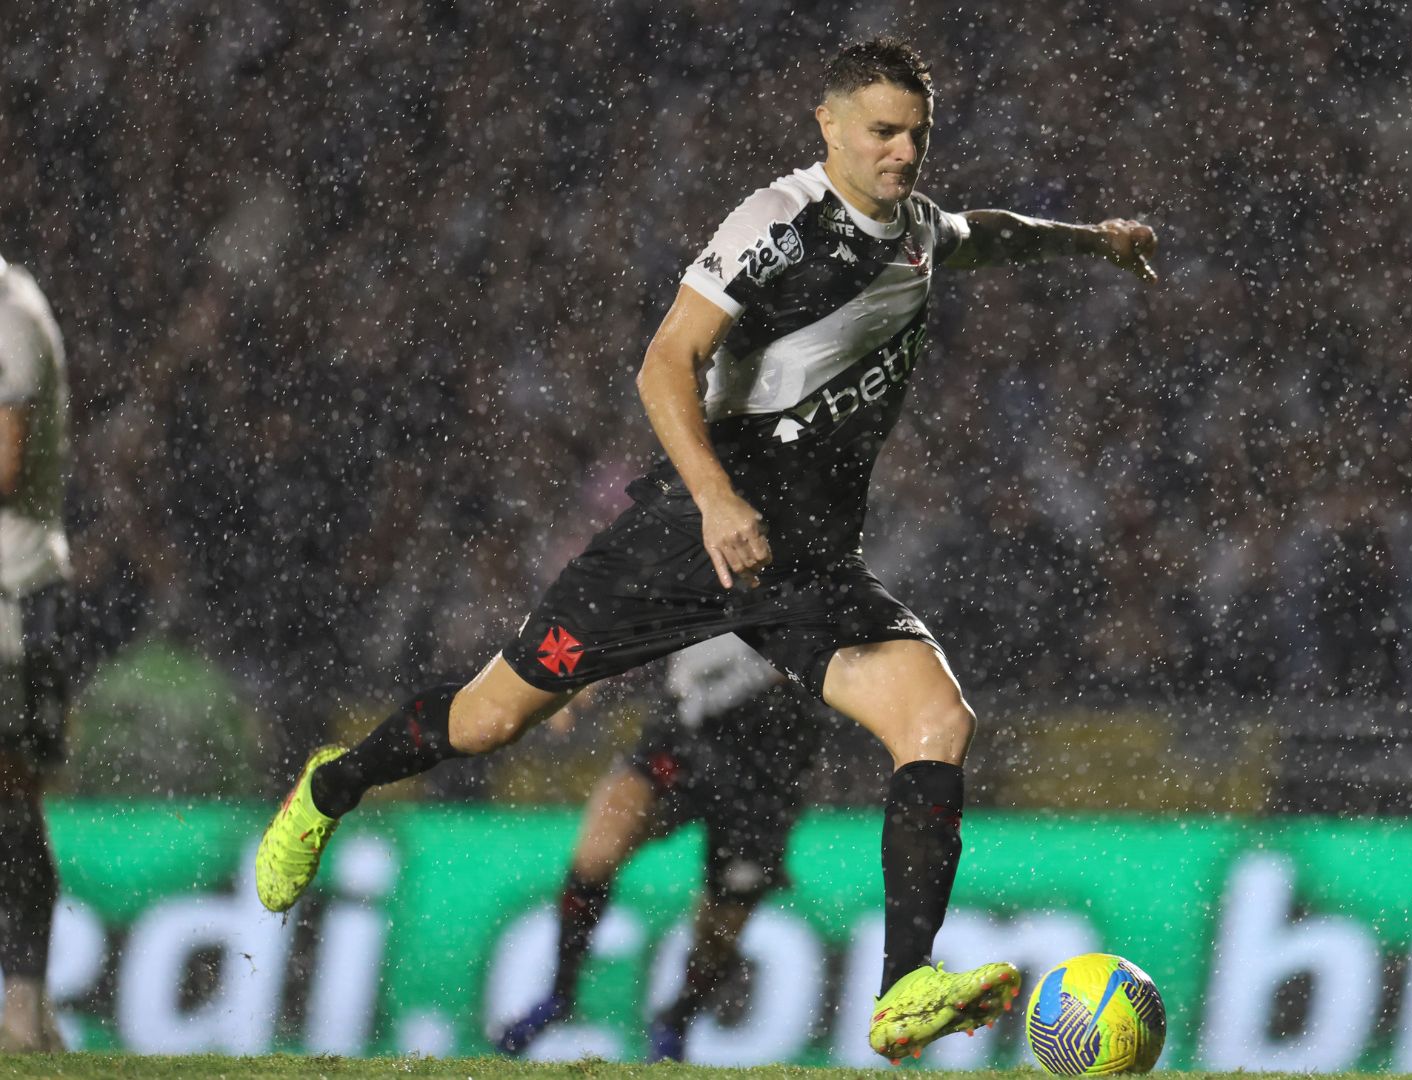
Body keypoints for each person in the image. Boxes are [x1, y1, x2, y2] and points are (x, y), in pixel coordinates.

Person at [254, 34, 1157, 1062]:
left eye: (917, 133)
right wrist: (719, 499)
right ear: (829, 127)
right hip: (689, 541)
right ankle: (335, 784)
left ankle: (905, 987)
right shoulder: (775, 226)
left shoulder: (915, 231)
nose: (903, 152)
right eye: (882, 132)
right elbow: (663, 364)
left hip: (806, 568)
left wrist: (1095, 240)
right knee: (492, 716)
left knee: (937, 717)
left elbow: (985, 234)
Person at [493, 634, 825, 1061]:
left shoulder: (824, 582)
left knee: (722, 925)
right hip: (682, 738)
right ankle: (559, 995)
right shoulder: (696, 573)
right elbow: (627, 615)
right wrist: (582, 674)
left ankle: (677, 1019)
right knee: (598, 851)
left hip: (768, 771)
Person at [0, 255, 72, 1053]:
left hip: (13, 605)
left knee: (7, 799)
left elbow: (6, 464)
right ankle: (28, 1003)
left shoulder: (8, 318)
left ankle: (24, 1003)